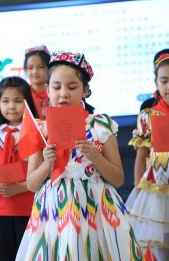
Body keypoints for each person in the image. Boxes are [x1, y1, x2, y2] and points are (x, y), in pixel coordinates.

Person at [16, 51, 143, 261]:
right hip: (54, 210)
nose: (63, 93)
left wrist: (95, 156)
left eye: (72, 87)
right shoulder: (40, 129)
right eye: (56, 87)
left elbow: (118, 179)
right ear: (47, 89)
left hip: (95, 209)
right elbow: (31, 183)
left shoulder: (100, 124)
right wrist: (47, 164)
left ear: (85, 90)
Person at [0, 76, 38, 261]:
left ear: (27, 103)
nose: (11, 106)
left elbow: (45, 171)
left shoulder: (36, 132)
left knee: (30, 255)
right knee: (2, 256)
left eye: (18, 101)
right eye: (5, 100)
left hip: (30, 208)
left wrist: (21, 187)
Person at [126, 48, 169, 261]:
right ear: (156, 83)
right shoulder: (148, 113)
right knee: (159, 246)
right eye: (164, 80)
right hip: (156, 190)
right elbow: (141, 155)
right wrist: (138, 190)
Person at [23, 45, 50, 120]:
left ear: (48, 68)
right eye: (30, 67)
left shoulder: (56, 93)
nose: (35, 71)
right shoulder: (22, 94)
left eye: (40, 67)